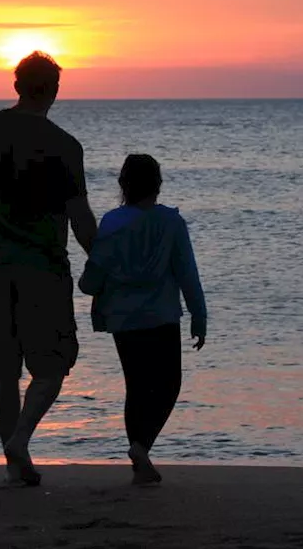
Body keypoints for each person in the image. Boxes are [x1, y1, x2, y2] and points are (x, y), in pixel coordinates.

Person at [0, 51, 98, 487]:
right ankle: (21, 439)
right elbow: (81, 217)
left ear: (16, 86)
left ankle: (14, 463)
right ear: (54, 90)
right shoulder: (65, 145)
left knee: (2, 369)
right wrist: (103, 263)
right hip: (44, 268)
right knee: (51, 367)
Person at [77, 154, 207, 485]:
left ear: (123, 185)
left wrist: (91, 284)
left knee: (136, 386)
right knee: (168, 384)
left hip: (123, 318)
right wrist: (199, 314)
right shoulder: (171, 223)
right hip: (162, 315)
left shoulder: (112, 222)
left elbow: (92, 278)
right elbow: (186, 271)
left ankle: (140, 457)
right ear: (158, 185)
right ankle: (141, 448)